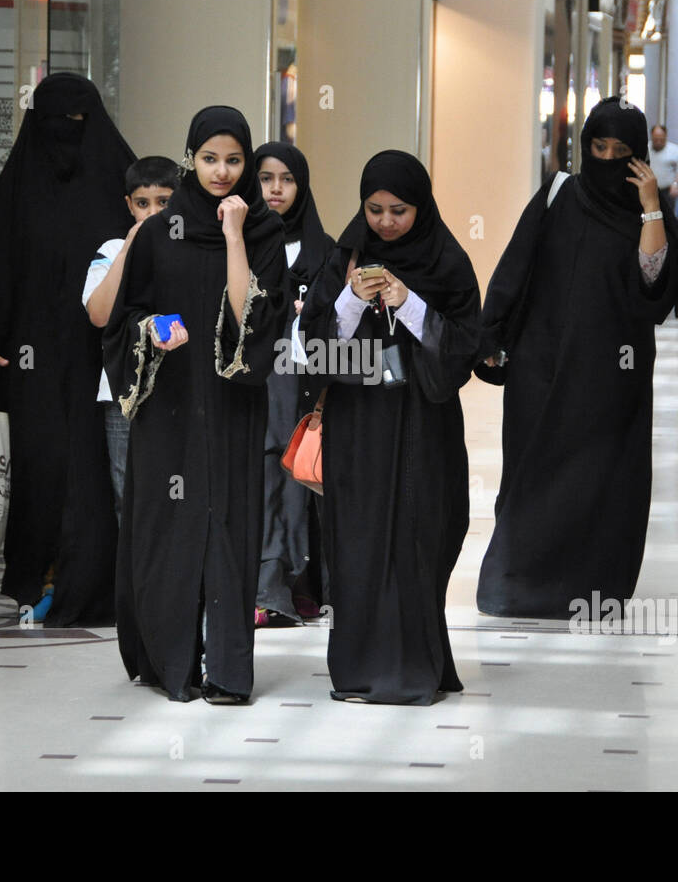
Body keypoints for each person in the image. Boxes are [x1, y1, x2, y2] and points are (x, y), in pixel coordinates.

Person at [474, 97, 678, 619]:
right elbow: (516, 266)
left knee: (601, 482)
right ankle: (515, 585)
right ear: (584, 145)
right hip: (542, 369)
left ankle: (590, 590)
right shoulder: (559, 195)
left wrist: (651, 205)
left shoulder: (644, 209)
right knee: (532, 476)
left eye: (622, 150)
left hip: (613, 376)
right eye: (599, 146)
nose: (609, 157)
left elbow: (653, 282)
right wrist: (490, 337)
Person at [104, 106, 288, 703]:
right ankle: (171, 659)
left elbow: (253, 319)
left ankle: (229, 672)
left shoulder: (261, 233)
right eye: (209, 158)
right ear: (191, 158)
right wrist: (151, 328)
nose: (221, 171)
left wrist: (236, 236)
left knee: (231, 526)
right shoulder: (160, 233)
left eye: (235, 161)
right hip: (173, 404)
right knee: (170, 526)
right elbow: (119, 321)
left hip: (233, 406)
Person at [298, 151, 481, 705]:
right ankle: (358, 670)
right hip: (359, 428)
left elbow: (465, 350)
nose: (385, 222)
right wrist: (352, 300)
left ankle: (415, 669)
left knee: (421, 536)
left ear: (421, 207)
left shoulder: (447, 262)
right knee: (356, 541)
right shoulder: (345, 257)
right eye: (374, 209)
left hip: (424, 427)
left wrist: (412, 305)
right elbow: (311, 346)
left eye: (399, 210)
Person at [0, 72, 135, 625]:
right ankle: (38, 577)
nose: (66, 133)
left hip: (98, 356)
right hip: (28, 357)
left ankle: (99, 580)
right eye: (55, 122)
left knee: (93, 464)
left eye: (77, 123)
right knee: (39, 465)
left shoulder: (117, 181)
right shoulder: (18, 187)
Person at [251, 141, 334, 627]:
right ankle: (265, 588)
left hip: (305, 387)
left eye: (287, 179)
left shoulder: (324, 249)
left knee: (298, 484)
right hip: (256, 386)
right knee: (262, 482)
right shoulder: (239, 241)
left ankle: (296, 585)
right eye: (265, 178)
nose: (276, 189)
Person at [83, 156, 179, 528]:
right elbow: (99, 314)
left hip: (180, 391)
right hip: (124, 394)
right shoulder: (110, 251)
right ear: (129, 205)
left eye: (164, 202)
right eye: (143, 203)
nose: (153, 213)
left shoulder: (193, 249)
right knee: (131, 498)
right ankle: (137, 586)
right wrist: (129, 249)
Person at [648, 124, 678, 215]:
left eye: (661, 139)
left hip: (667, 192)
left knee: (667, 218)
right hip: (649, 190)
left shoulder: (674, 150)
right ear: (651, 137)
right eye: (656, 139)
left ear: (666, 137)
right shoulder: (646, 149)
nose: (659, 142)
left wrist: (676, 184)